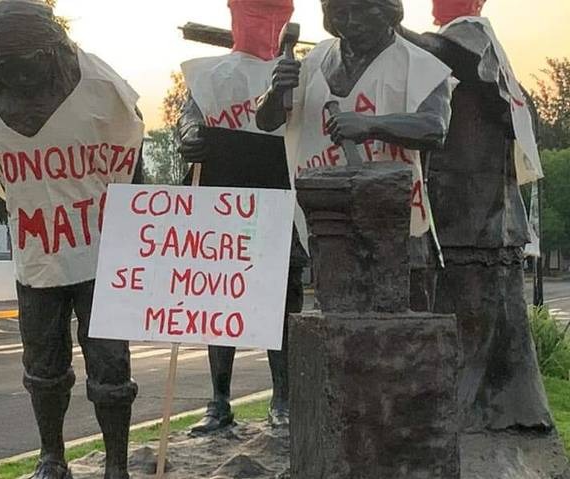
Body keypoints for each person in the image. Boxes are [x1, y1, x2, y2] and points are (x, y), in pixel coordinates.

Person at [0, 1, 143, 477]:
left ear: (49, 50)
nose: (7, 75)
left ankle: (117, 463)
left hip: (99, 249)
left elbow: (130, 161)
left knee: (111, 365)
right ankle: (52, 456)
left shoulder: (102, 88)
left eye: (17, 64)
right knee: (42, 366)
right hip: (36, 252)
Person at [397, 0, 552, 432]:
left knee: (467, 321)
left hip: (472, 210)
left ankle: (462, 414)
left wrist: (398, 31)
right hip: (479, 210)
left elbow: (454, 57)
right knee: (489, 320)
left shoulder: (471, 36)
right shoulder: (479, 42)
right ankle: (501, 410)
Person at [256, 0, 455, 312]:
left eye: (363, 10)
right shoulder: (317, 60)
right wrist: (273, 92)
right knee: (337, 331)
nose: (351, 21)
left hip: (401, 229)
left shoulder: (420, 65)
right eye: (339, 12)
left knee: (402, 338)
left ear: (388, 9)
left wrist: (371, 124)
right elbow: (268, 120)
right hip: (331, 227)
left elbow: (435, 127)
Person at [177, 0, 308, 433]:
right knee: (221, 298)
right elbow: (189, 116)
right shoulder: (210, 73)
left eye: (273, 15)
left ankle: (283, 399)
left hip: (279, 199)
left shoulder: (296, 72)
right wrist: (190, 136)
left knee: (282, 304)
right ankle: (219, 401)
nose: (263, 24)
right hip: (223, 202)